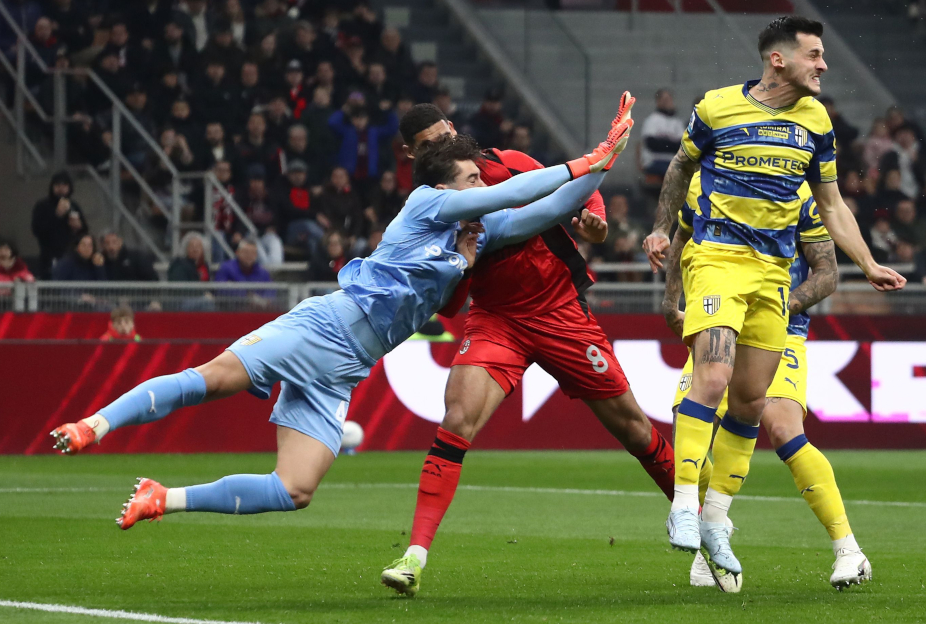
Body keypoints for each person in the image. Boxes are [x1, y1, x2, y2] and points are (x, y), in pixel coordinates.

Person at [47, 97, 633, 561]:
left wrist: (607, 158)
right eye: (473, 182)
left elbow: (549, 208)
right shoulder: (429, 203)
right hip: (326, 327)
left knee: (293, 491)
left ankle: (162, 497)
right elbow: (518, 189)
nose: (483, 188)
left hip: (349, 366)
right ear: (447, 183)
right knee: (212, 379)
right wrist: (585, 157)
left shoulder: (478, 229)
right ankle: (94, 424)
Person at [641, 17, 904, 582]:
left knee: (750, 405)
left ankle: (714, 519)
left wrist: (869, 263)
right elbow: (680, 169)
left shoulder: (817, 122)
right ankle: (684, 502)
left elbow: (833, 208)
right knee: (711, 379)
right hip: (717, 259)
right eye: (814, 54)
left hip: (772, 280)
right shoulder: (716, 107)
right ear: (778, 60)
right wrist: (662, 231)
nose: (824, 64)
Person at [382, 102, 675, 597]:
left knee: (634, 428)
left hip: (560, 310)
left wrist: (594, 219)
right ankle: (414, 555)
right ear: (414, 154)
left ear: (454, 127)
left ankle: (700, 519)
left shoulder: (507, 163)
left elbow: (568, 197)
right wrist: (462, 264)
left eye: (445, 133)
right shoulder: (429, 208)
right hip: (497, 320)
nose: (444, 145)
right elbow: (451, 306)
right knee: (457, 419)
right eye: (430, 145)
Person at [662, 177, 868, 591]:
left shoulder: (799, 192)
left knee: (781, 426)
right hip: (722, 312)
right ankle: (713, 529)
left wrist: (781, 305)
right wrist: (671, 302)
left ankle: (849, 550)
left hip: (780, 327)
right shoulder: (714, 178)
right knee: (686, 420)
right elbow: (682, 236)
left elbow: (827, 273)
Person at [30, 170, 85, 275]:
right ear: (52, 187)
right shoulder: (43, 205)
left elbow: (84, 231)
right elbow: (37, 230)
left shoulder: (74, 205)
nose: (61, 189)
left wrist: (78, 227)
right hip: (49, 255)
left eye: (64, 185)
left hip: (72, 255)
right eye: (57, 185)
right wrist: (57, 215)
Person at [639, 88, 686, 190]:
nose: (667, 102)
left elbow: (683, 146)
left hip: (673, 161)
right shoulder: (652, 120)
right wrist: (671, 144)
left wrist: (664, 143)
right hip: (654, 161)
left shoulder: (677, 122)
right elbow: (652, 144)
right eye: (664, 99)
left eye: (669, 99)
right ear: (658, 102)